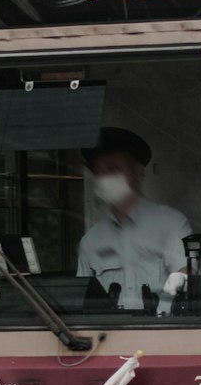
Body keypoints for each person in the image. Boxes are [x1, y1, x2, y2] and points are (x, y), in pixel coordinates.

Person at [74, 126, 193, 312]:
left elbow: (186, 276)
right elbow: (82, 302)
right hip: (108, 336)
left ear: (137, 173)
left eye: (114, 169)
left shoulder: (171, 224)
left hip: (161, 333)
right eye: (100, 171)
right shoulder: (90, 242)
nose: (106, 178)